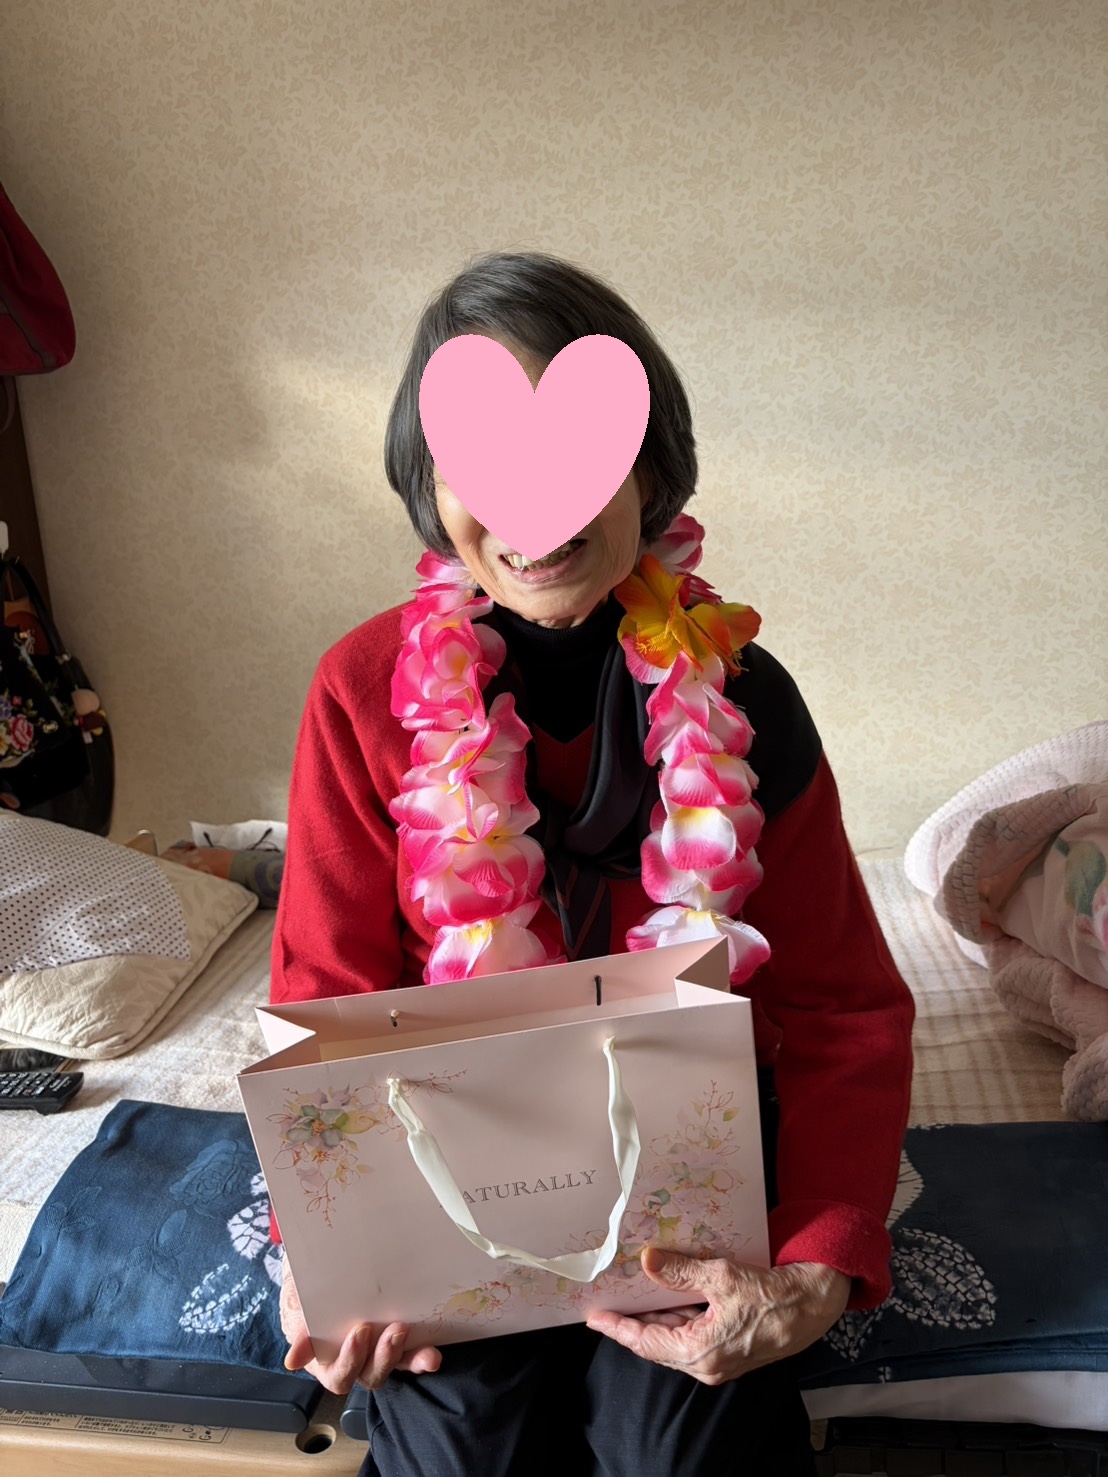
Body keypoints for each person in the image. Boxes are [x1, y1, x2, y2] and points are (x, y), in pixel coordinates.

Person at [272, 252, 915, 1477]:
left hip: (690, 1174)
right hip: (447, 1167)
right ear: (430, 491)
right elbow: (325, 1000)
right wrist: (328, 1245)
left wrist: (819, 1259)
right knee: (463, 1446)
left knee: (679, 1443)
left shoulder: (748, 694)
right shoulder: (361, 689)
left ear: (650, 470)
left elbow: (843, 1006)